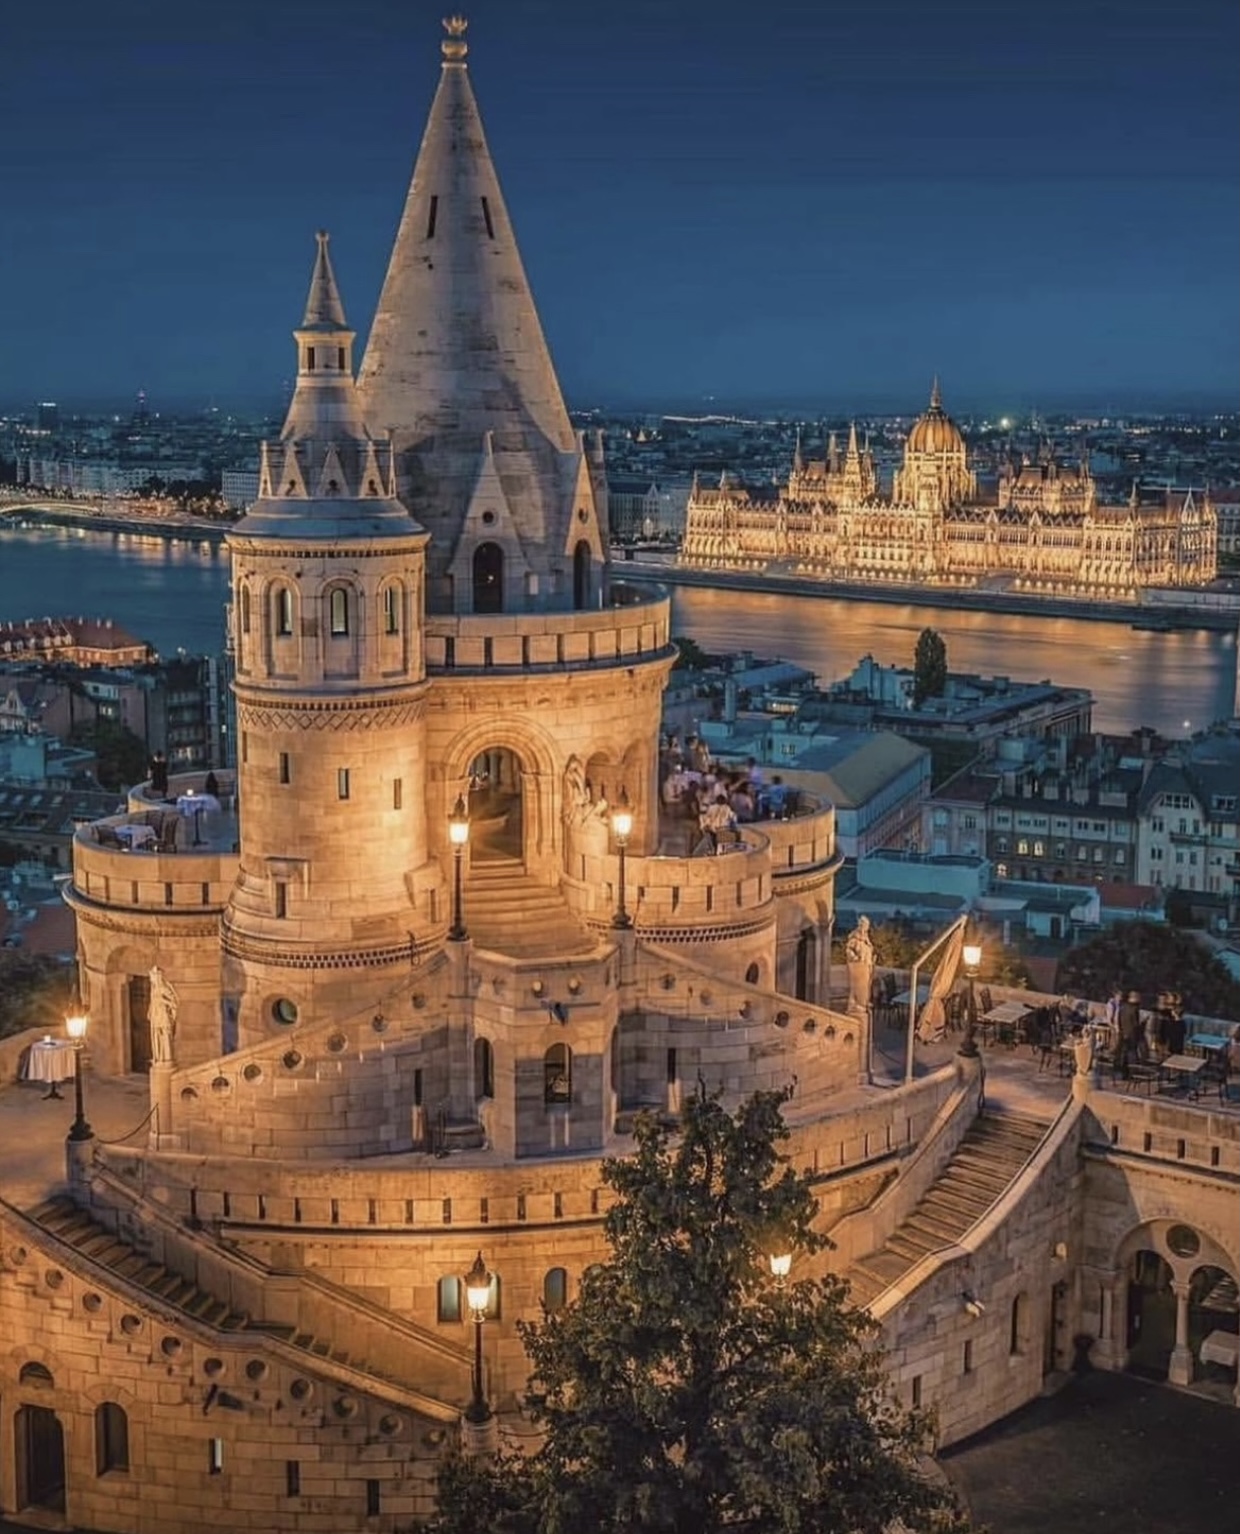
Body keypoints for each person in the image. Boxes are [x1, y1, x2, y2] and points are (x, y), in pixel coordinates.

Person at [148, 964, 179, 1066]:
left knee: (165, 1036)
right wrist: (150, 1012)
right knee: (157, 1036)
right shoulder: (154, 988)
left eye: (152, 976)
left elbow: (174, 1002)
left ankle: (167, 1058)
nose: (151, 978)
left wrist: (163, 1001)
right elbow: (152, 1002)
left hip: (163, 1015)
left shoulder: (163, 988)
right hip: (156, 1015)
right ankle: (159, 1058)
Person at [845, 916, 875, 1014]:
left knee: (865, 987)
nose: (866, 928)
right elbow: (848, 950)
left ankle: (863, 1003)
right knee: (857, 987)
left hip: (866, 966)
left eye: (867, 926)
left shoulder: (865, 937)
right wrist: (855, 958)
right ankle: (857, 1004)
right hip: (858, 968)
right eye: (865, 925)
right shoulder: (855, 937)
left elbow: (869, 949)